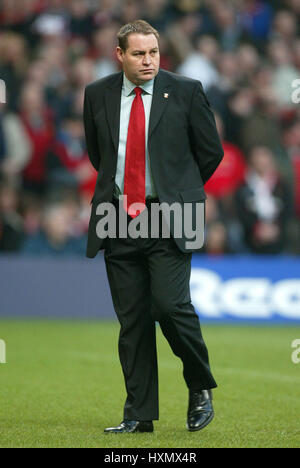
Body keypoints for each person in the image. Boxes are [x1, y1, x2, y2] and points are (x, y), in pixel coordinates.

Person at [83, 20, 224, 434]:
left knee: (168, 306)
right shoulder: (97, 93)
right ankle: (138, 415)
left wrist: (178, 189)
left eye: (154, 53)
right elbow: (99, 154)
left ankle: (199, 386)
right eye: (139, 54)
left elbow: (210, 153)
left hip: (171, 218)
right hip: (118, 218)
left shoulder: (186, 90)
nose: (148, 61)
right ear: (120, 55)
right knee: (133, 322)